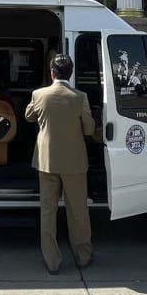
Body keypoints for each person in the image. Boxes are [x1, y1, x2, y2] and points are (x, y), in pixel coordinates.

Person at [25, 54, 95, 274]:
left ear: (52, 73)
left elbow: (28, 116)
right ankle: (83, 255)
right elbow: (89, 130)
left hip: (47, 161)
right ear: (71, 73)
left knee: (48, 211)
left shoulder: (39, 94)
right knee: (78, 211)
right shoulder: (80, 97)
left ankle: (52, 261)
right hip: (75, 162)